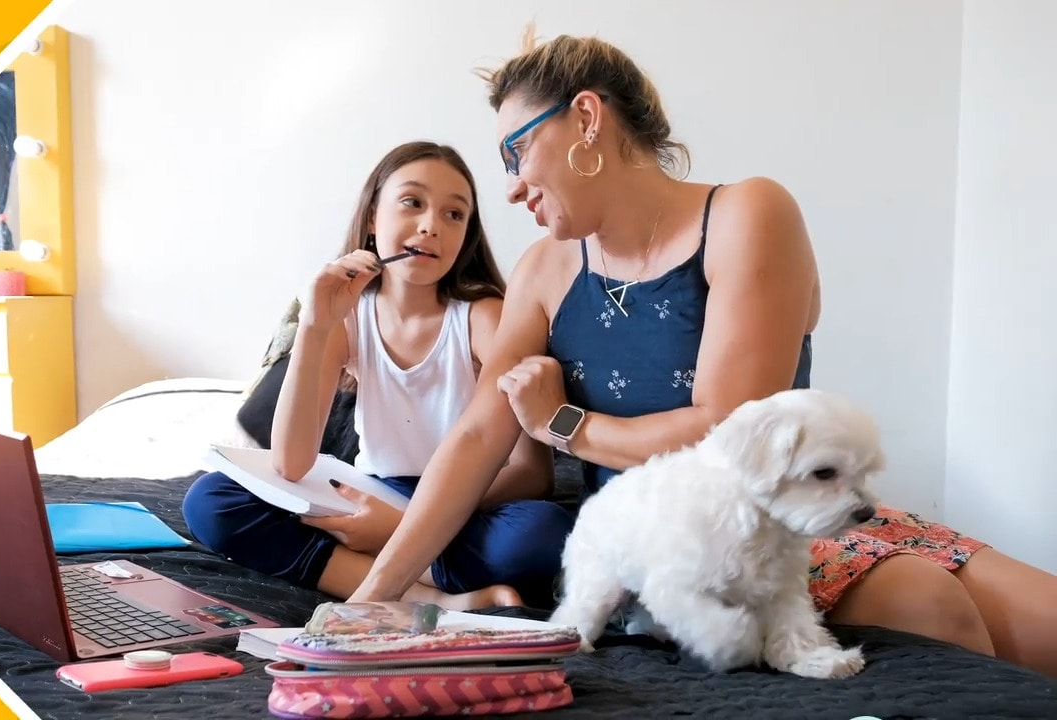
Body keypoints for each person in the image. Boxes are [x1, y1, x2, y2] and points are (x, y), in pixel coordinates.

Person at [346, 28, 1057, 678]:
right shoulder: (543, 269)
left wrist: (564, 424)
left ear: (586, 119)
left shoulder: (747, 214)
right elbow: (475, 438)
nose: (511, 185)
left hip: (801, 516)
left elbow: (728, 429)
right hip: (687, 550)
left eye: (516, 150)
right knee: (933, 607)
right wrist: (374, 598)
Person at [181, 140, 574, 611]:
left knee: (541, 535)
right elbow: (290, 464)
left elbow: (532, 475)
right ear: (372, 217)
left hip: (465, 503)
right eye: (412, 203)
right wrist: (315, 324)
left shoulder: (485, 319)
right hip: (368, 492)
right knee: (212, 500)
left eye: (454, 215)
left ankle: (395, 566)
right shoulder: (347, 319)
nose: (431, 225)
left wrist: (399, 524)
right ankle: (436, 600)